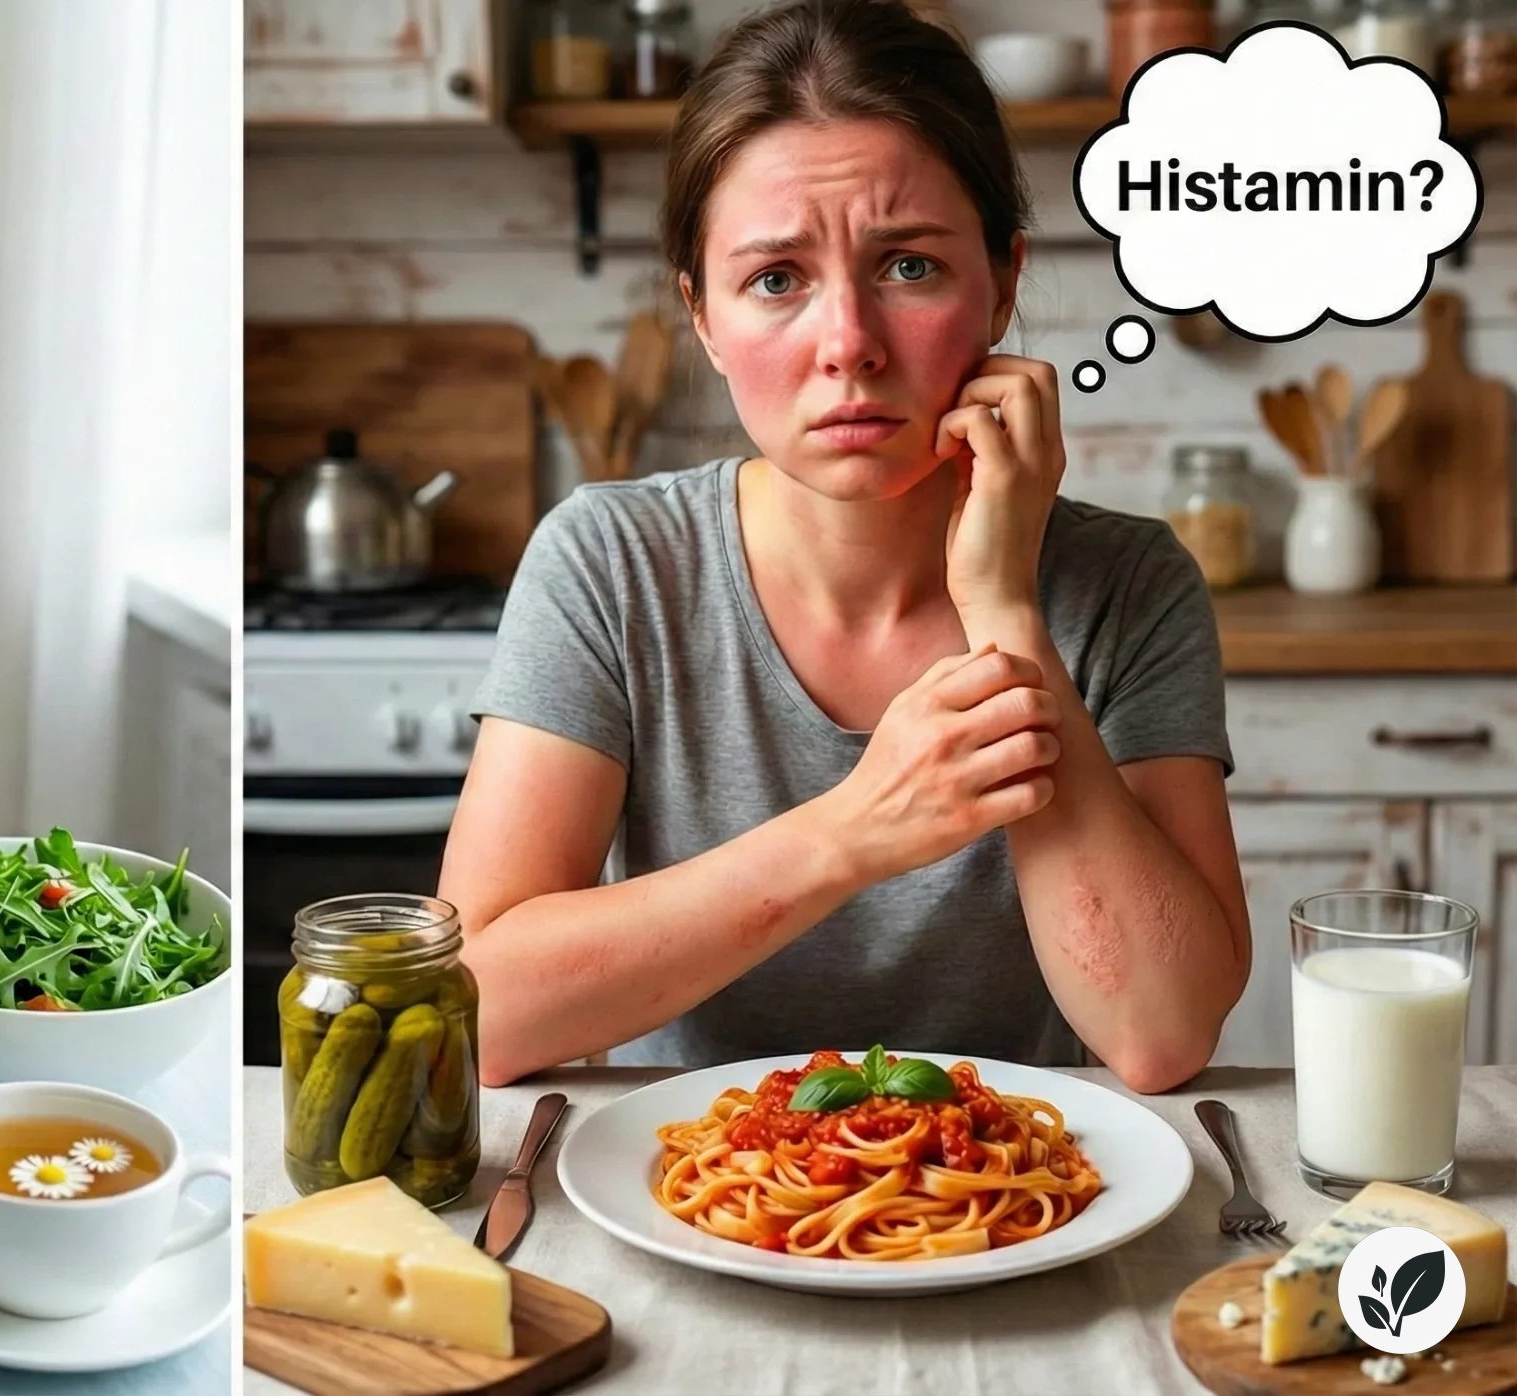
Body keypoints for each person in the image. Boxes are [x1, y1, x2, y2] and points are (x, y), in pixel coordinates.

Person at [439, 0, 1247, 1092]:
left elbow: (1160, 1033)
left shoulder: (1127, 584)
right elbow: (470, 1013)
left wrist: (1004, 613)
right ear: (702, 317)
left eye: (907, 266)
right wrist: (854, 833)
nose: (849, 347)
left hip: (1013, 1205)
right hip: (690, 1200)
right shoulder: (610, 562)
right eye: (775, 279)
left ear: (1002, 283)